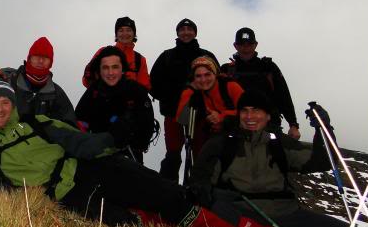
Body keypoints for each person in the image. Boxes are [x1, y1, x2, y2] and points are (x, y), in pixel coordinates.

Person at [0, 79, 294, 227]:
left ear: (13, 104)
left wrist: (115, 138)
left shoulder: (37, 124)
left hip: (96, 168)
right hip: (68, 197)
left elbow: (81, 143)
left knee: (173, 199)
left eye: (4, 101)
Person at [189, 89, 368, 227]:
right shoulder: (221, 144)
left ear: (267, 116)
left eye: (257, 110)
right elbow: (200, 183)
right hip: (244, 218)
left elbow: (322, 161)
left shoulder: (279, 144)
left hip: (288, 216)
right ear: (238, 114)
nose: (250, 116)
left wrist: (323, 129)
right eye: (245, 110)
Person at [149, 19, 220, 181]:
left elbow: (218, 82)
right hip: (173, 113)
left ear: (195, 32)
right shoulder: (167, 56)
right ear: (177, 33)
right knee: (173, 153)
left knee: (200, 154)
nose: (186, 32)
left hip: (201, 114)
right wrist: (168, 97)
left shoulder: (206, 56)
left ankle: (199, 193)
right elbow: (153, 82)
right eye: (182, 29)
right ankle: (168, 191)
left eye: (189, 29)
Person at [75, 45, 158, 164]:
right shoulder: (93, 92)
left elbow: (146, 131)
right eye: (105, 68)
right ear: (99, 70)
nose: (110, 73)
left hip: (129, 156)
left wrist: (127, 132)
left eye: (115, 67)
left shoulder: (136, 92)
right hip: (96, 156)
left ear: (123, 69)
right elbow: (78, 121)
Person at [221, 27, 301, 139]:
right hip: (236, 127)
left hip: (269, 126)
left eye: (249, 43)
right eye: (241, 44)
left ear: (255, 45)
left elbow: (283, 95)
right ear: (235, 45)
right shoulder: (226, 70)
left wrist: (293, 125)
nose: (245, 47)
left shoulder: (268, 67)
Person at [0, 36, 78, 127]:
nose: (41, 61)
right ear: (29, 59)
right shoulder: (9, 83)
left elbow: (70, 126)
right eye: (37, 56)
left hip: (42, 140)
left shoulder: (56, 93)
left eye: (46, 58)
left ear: (50, 63)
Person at [175, 56, 245, 161]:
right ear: (193, 78)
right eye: (198, 76)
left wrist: (222, 116)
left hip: (237, 136)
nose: (203, 80)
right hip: (210, 139)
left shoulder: (230, 86)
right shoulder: (191, 92)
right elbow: (182, 119)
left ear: (215, 74)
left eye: (207, 74)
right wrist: (192, 91)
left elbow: (249, 113)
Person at [81, 16, 151, 91]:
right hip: (103, 101)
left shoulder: (140, 59)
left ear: (134, 34)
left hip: (128, 101)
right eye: (121, 30)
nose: (125, 33)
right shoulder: (103, 52)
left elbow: (144, 87)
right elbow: (86, 80)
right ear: (116, 34)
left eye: (128, 30)